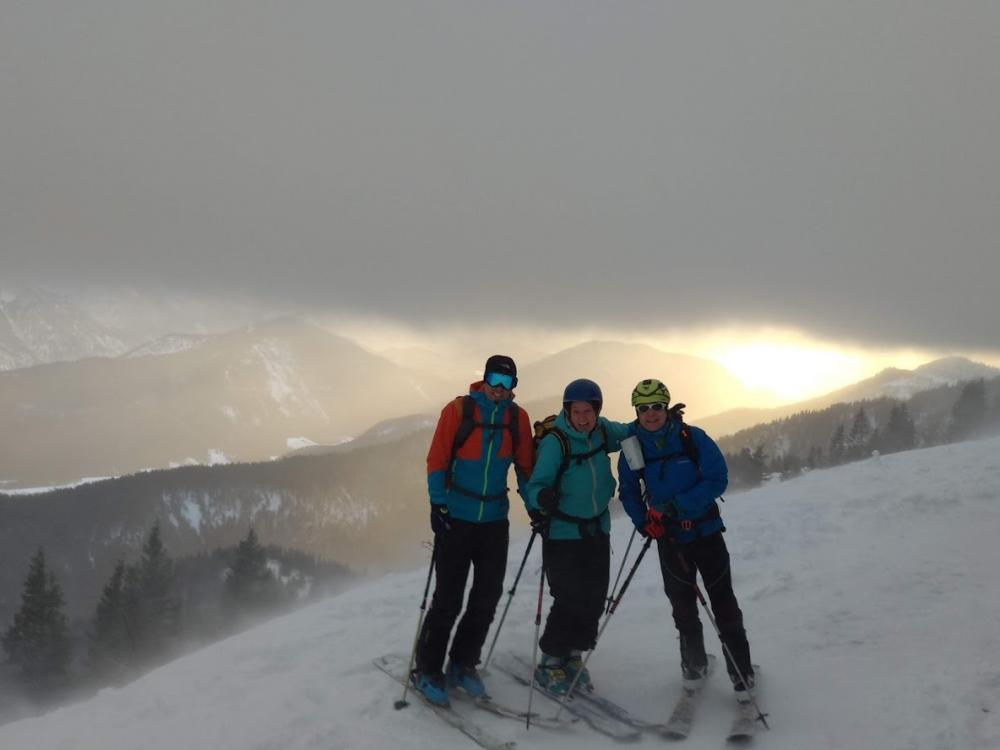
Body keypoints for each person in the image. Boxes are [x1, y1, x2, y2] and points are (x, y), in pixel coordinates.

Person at [617, 379, 756, 701]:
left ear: (666, 407)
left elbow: (717, 479)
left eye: (656, 406)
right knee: (682, 607)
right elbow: (629, 492)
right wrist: (643, 523)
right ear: (636, 411)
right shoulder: (633, 448)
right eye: (643, 408)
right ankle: (694, 667)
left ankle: (741, 674)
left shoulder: (692, 437)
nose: (650, 413)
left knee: (723, 603)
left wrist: (675, 506)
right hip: (669, 539)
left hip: (706, 532)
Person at [412, 355, 534, 707]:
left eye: (507, 382)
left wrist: (536, 508)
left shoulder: (517, 419)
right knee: (448, 599)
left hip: (494, 520)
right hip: (457, 517)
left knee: (487, 597)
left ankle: (462, 664)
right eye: (494, 379)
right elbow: (437, 460)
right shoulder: (459, 411)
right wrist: (438, 505)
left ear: (513, 386)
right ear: (484, 379)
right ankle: (427, 669)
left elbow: (525, 468)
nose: (499, 388)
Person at [524, 378, 631, 695]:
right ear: (567, 411)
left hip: (597, 529)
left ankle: (573, 655)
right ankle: (550, 661)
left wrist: (662, 420)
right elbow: (535, 486)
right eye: (577, 411)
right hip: (563, 533)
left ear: (597, 411)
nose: (583, 418)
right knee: (569, 597)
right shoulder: (556, 443)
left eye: (588, 411)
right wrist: (542, 497)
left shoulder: (602, 431)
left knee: (595, 597)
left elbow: (632, 431)